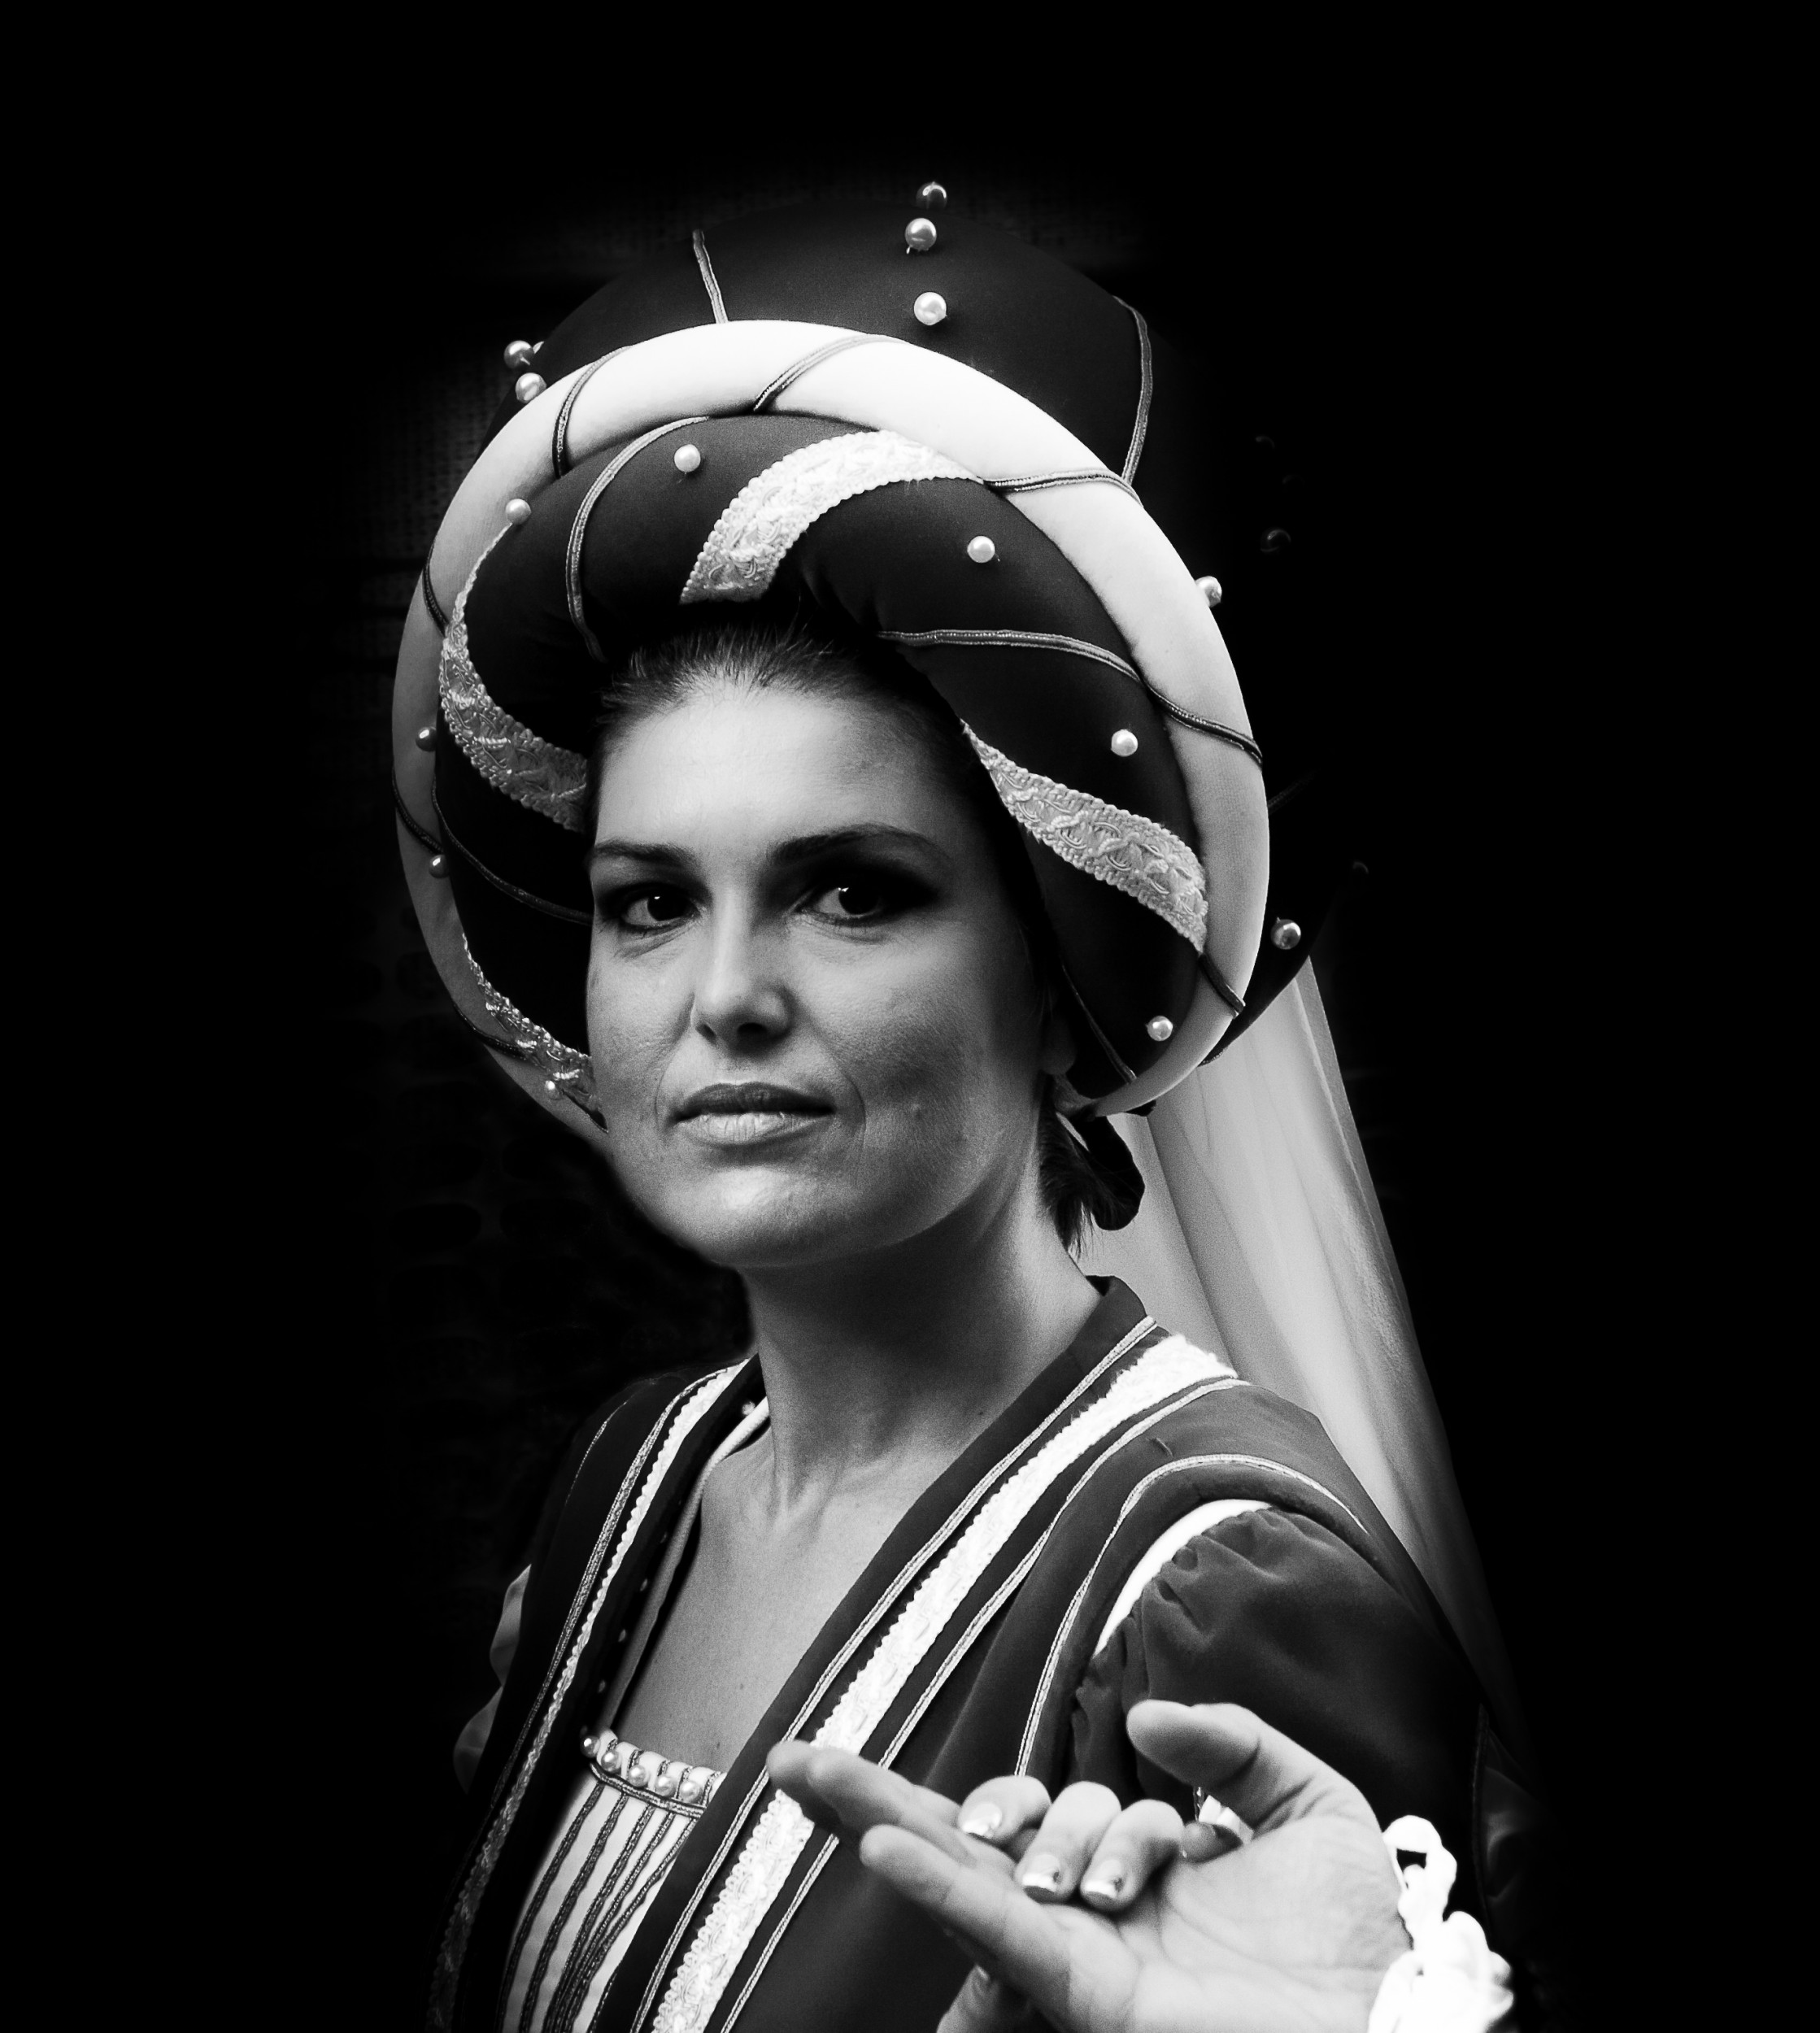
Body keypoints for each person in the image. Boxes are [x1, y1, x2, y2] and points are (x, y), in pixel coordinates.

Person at [392, 198, 1556, 2031]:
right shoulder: (636, 1477)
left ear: (1055, 966)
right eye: (651, 900)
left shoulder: (1219, 1585)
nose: (725, 994)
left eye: (855, 891)